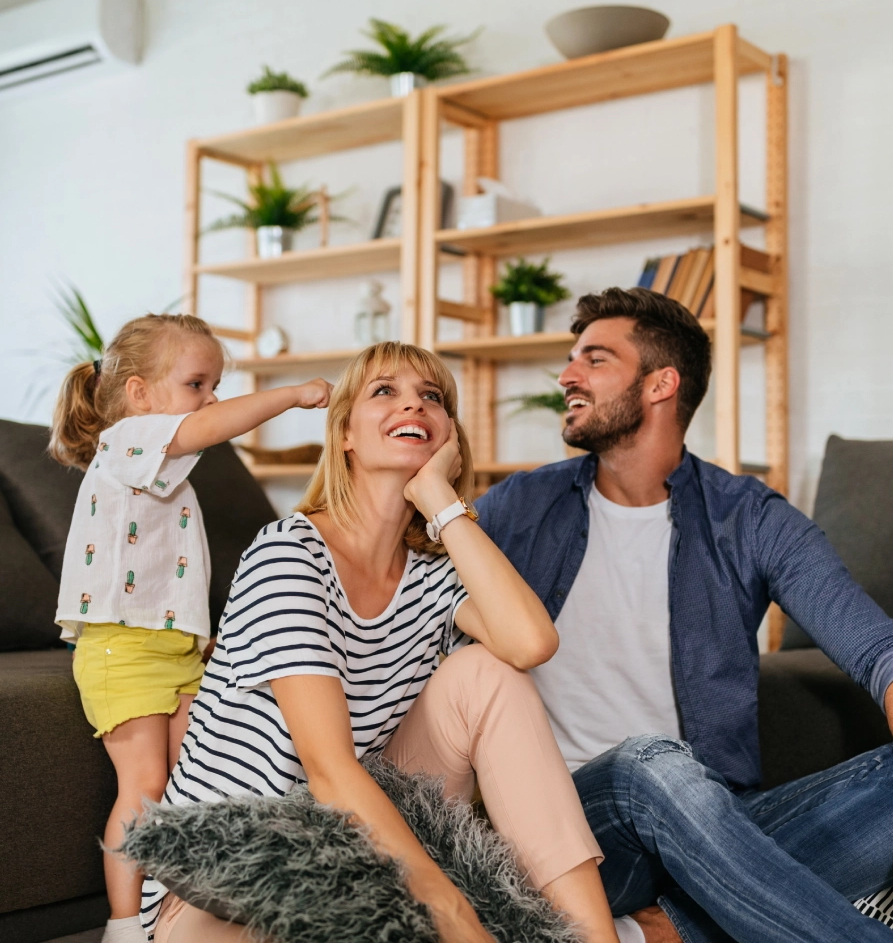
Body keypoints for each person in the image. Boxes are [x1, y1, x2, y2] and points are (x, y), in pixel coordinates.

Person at [475, 287, 893, 943]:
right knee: (650, 766)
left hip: (706, 822)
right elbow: (389, 559)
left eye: (594, 359)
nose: (567, 376)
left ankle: (661, 929)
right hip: (574, 825)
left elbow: (887, 653)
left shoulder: (746, 517)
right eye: (571, 359)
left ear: (661, 383)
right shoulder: (518, 507)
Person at [141, 341, 625, 943]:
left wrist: (441, 502)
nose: (413, 406)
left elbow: (530, 643)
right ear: (344, 433)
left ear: (448, 434)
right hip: (230, 877)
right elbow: (328, 769)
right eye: (385, 392)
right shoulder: (287, 553)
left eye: (433, 398)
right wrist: (452, 916)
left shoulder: (433, 575)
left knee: (487, 675)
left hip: (358, 848)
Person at [50, 312, 333, 943]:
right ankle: (123, 927)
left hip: (174, 648)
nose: (211, 402)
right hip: (120, 647)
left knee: (195, 781)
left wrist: (197, 632)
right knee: (146, 785)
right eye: (197, 384)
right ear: (141, 395)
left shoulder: (165, 469)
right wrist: (289, 393)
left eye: (215, 387)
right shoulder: (125, 442)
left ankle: (180, 909)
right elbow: (204, 429)